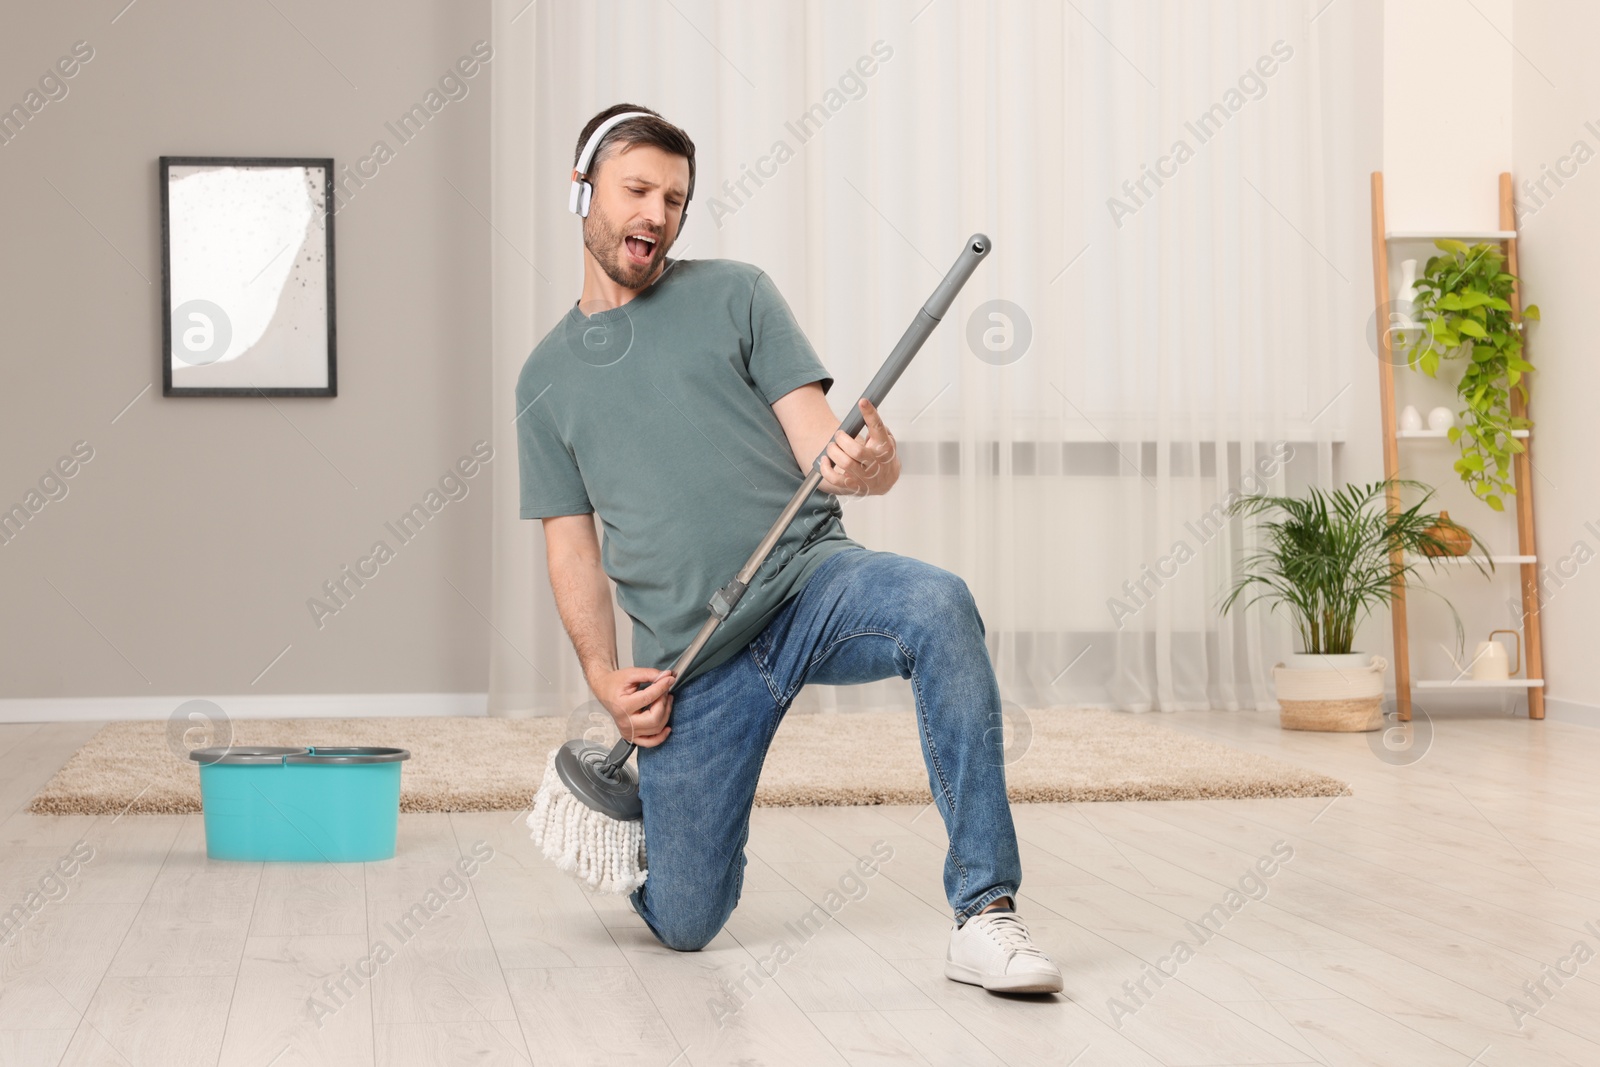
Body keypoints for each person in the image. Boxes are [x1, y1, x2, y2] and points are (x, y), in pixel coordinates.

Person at [514, 103, 1061, 994]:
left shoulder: (737, 294)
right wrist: (603, 679)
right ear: (583, 190)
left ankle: (986, 912)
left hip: (812, 586)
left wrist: (869, 465)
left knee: (938, 604)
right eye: (638, 189)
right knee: (686, 924)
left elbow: (828, 453)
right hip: (694, 663)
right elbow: (570, 546)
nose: (657, 213)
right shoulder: (546, 377)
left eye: (676, 199)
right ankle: (672, 820)